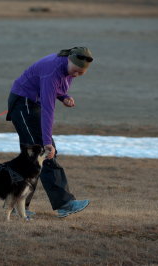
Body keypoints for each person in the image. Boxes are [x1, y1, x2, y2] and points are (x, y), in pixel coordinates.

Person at [6, 47, 93, 218]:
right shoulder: (52, 70)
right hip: (24, 105)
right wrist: (47, 142)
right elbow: (48, 109)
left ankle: (18, 207)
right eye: (75, 71)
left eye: (80, 74)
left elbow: (55, 88)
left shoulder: (66, 65)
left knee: (34, 156)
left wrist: (63, 96)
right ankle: (64, 204)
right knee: (42, 153)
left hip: (30, 103)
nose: (75, 75)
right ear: (70, 60)